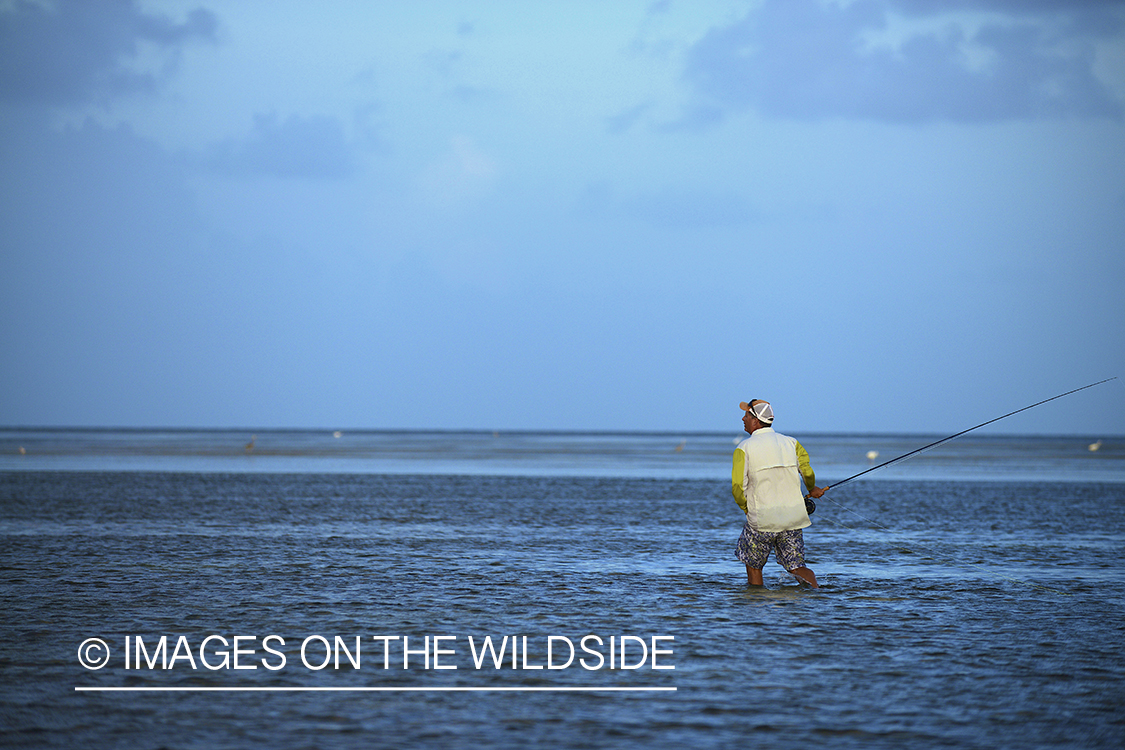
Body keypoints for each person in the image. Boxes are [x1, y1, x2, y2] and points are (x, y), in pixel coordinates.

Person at [732, 399, 826, 588]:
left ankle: (757, 606)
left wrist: (746, 509)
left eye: (746, 415)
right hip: (792, 517)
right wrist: (812, 489)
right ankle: (817, 593)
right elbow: (806, 471)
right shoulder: (792, 443)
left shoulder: (744, 448)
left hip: (761, 519)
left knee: (754, 565)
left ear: (756, 421)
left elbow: (737, 487)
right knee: (796, 566)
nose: (743, 418)